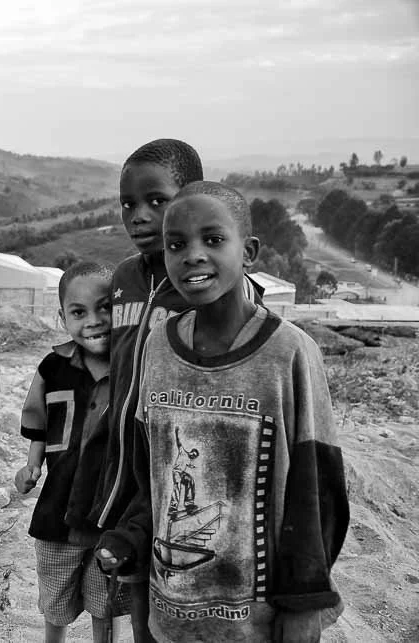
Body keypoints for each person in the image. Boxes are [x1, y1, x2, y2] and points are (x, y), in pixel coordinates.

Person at [97, 181, 349, 642]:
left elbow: (317, 490)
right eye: (177, 244)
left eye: (213, 240)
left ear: (248, 251)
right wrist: (130, 538)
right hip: (168, 610)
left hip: (256, 622)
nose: (192, 255)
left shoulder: (289, 353)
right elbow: (149, 472)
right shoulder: (158, 346)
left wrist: (302, 605)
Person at [65, 139, 254, 641]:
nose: (140, 216)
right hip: (124, 454)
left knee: (178, 582)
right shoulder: (124, 277)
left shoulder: (201, 282)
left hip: (180, 458)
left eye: (157, 201)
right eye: (129, 204)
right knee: (131, 585)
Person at [15, 261, 130, 643]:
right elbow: (40, 422)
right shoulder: (53, 366)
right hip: (57, 506)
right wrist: (31, 466)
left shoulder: (132, 367)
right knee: (55, 591)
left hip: (109, 510)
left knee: (106, 596)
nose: (94, 321)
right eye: (79, 312)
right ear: (62, 317)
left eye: (105, 308)